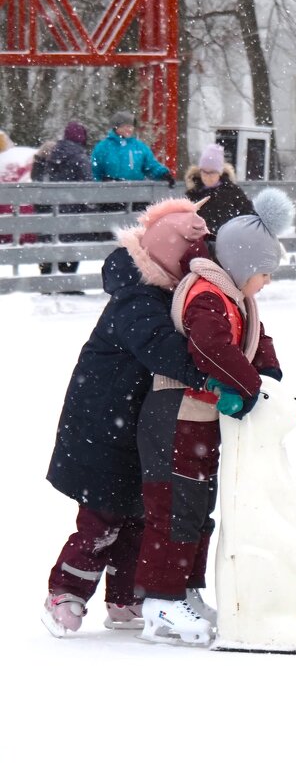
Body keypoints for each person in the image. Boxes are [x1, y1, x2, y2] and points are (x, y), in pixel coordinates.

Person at [41, 198, 210, 637]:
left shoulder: (160, 292)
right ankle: (65, 592)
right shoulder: (137, 297)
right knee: (101, 521)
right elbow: (158, 347)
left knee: (137, 516)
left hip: (131, 427)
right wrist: (208, 373)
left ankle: (125, 598)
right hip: (98, 429)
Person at [134, 189, 290, 646]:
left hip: (199, 420)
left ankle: (184, 587)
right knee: (174, 507)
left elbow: (256, 338)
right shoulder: (207, 295)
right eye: (263, 274)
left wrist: (270, 375)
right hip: (175, 415)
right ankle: (160, 599)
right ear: (243, 266)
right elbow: (210, 348)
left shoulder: (233, 296)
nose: (265, 283)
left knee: (199, 508)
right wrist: (251, 387)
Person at [31, 121, 94, 277]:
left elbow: (41, 177)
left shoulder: (53, 151)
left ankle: (46, 277)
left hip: (52, 205)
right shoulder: (79, 156)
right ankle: (68, 279)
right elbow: (87, 181)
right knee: (72, 241)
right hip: (73, 205)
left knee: (49, 239)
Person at [184, 143, 254, 234]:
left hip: (227, 242)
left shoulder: (233, 192)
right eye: (204, 172)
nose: (207, 176)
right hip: (201, 244)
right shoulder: (193, 194)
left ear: (220, 172)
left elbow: (249, 217)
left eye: (212, 172)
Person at [91, 110, 174, 185]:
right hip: (110, 193)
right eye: (126, 126)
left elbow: (151, 165)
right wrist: (102, 182)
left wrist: (164, 174)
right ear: (116, 127)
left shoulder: (139, 147)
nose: (130, 129)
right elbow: (95, 171)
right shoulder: (103, 147)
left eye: (131, 127)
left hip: (136, 192)